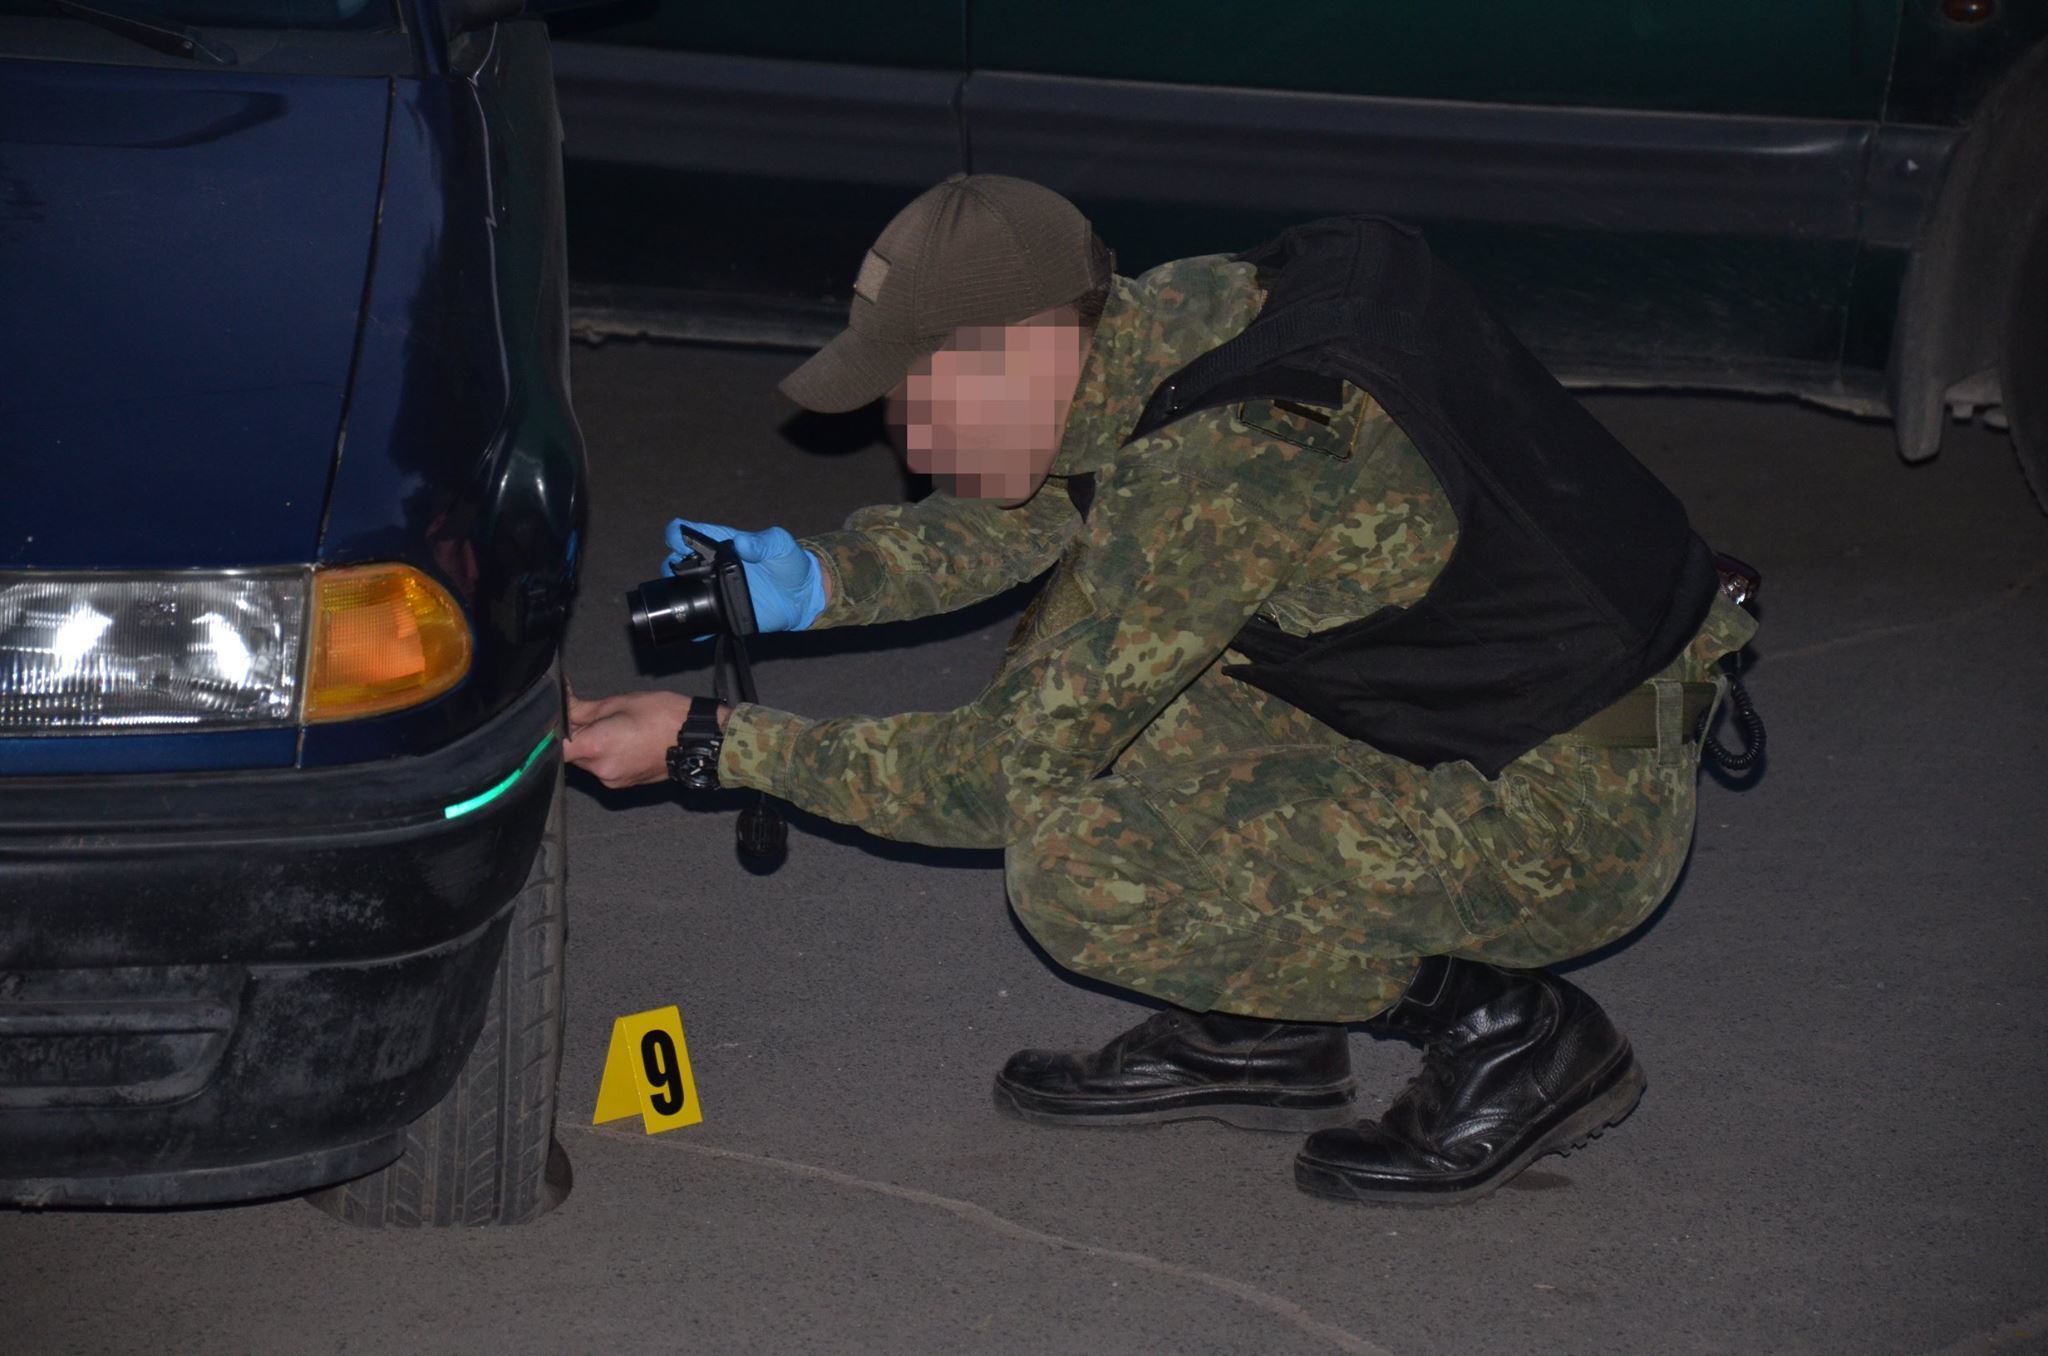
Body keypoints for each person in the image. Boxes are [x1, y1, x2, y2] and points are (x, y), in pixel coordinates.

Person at [564, 174, 1757, 1205]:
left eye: (915, 398)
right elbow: (1051, 503)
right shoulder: (1174, 318)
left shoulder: (1239, 453)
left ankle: (1506, 1031)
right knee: (1104, 678)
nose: (908, 443)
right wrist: (820, 580)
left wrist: (720, 743)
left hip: (1571, 812)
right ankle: (1259, 1031)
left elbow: (992, 776)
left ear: (1024, 343)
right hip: (1540, 708)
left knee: (1078, 864)